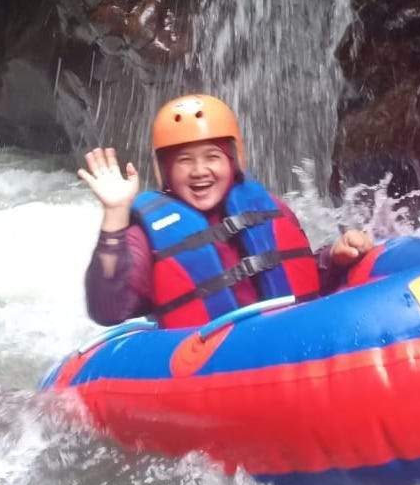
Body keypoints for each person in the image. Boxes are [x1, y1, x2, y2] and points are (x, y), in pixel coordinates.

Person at [79, 93, 374, 327]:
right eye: (184, 161)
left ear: (233, 161)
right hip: (214, 370)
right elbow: (108, 309)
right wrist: (115, 214)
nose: (199, 171)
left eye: (212, 157)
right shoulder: (145, 234)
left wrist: (335, 259)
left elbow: (302, 280)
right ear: (165, 171)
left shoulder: (265, 206)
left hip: (287, 341)